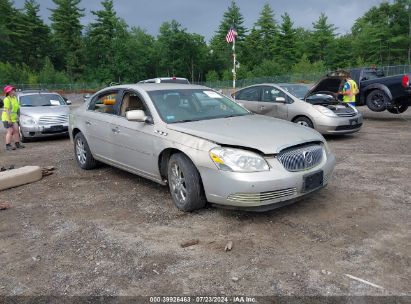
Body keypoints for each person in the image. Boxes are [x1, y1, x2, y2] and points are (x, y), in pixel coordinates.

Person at [1, 85, 25, 150]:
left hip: (14, 118)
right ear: (8, 92)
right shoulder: (6, 99)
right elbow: (7, 110)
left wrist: (18, 116)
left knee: (16, 130)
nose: (14, 91)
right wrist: (9, 120)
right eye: (12, 90)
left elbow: (17, 108)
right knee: (10, 131)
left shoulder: (15, 98)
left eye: (13, 89)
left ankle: (17, 144)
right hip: (7, 118)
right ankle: (8, 145)